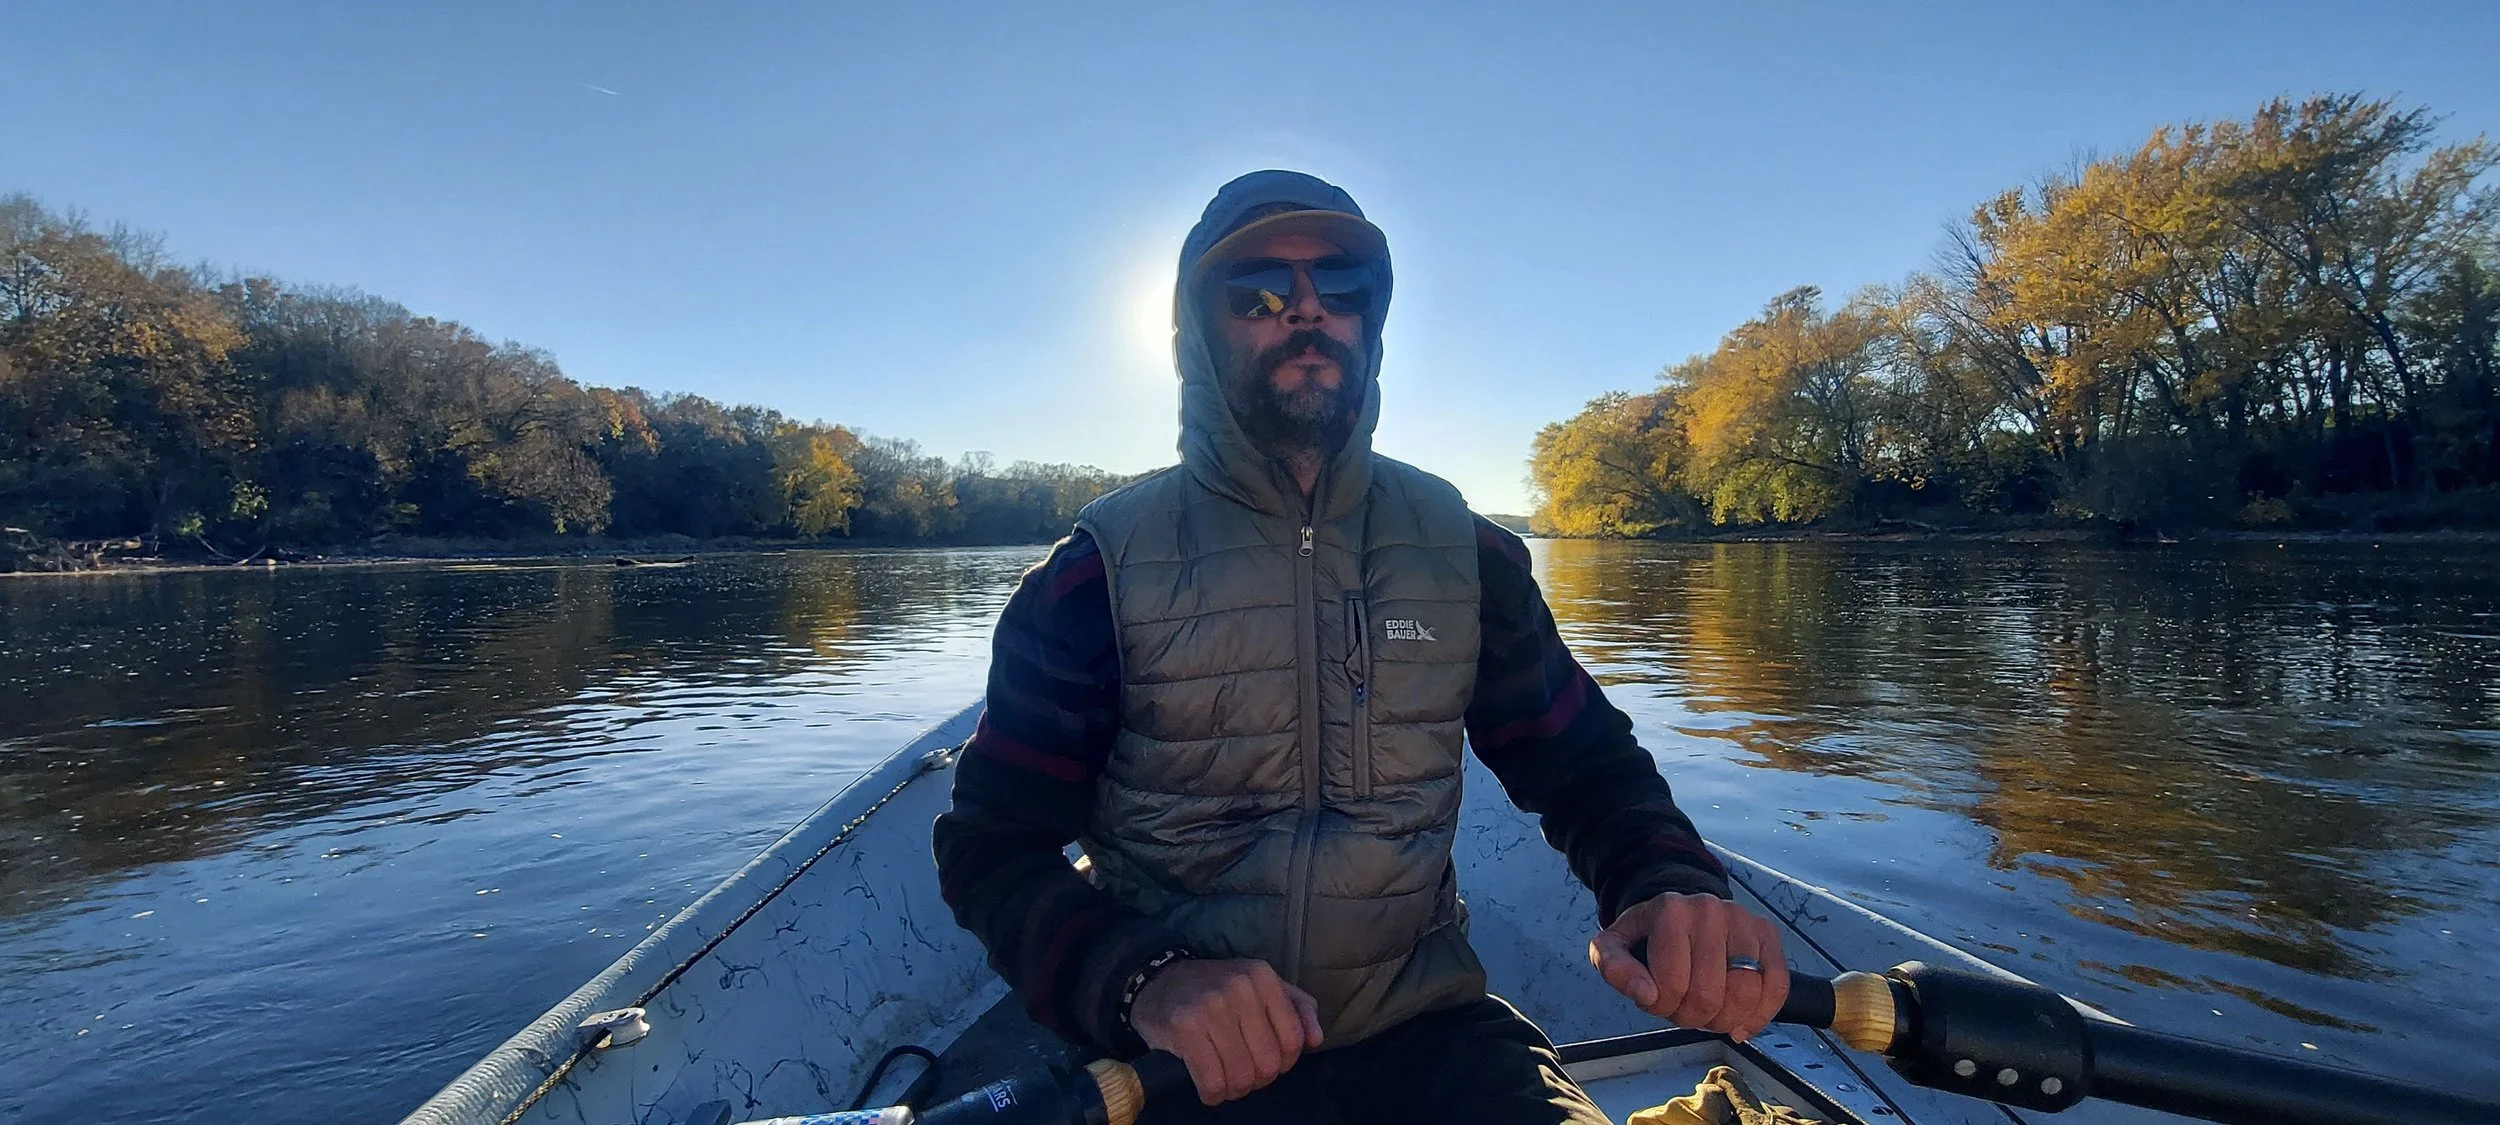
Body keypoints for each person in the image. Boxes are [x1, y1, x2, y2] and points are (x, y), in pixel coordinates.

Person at [931, 170, 1786, 1124]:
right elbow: (990, 846)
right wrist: (1145, 980)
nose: (1307, 308)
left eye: (1340, 286)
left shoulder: (1466, 554)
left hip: (1431, 1031)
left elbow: (1589, 771)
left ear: (1370, 327)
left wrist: (1668, 883)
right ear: (1193, 339)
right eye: (1260, 290)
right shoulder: (1095, 576)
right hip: (1173, 1060)